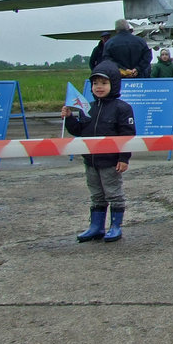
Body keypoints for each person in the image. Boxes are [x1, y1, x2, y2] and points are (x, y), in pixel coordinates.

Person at [60, 60, 135, 242]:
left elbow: (128, 136)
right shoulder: (87, 108)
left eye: (104, 83)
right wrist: (69, 118)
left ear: (114, 84)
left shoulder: (122, 108)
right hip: (91, 162)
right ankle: (96, 226)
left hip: (111, 162)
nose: (99, 87)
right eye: (95, 83)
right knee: (96, 195)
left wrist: (124, 158)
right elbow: (79, 131)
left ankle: (115, 226)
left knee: (114, 193)